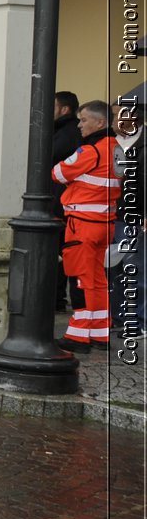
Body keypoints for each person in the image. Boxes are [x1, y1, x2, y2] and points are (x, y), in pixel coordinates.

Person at [53, 100, 117, 353]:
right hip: (105, 224)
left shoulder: (91, 151)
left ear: (100, 123)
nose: (79, 125)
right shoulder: (117, 149)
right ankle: (100, 334)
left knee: (80, 280)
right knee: (98, 280)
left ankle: (78, 337)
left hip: (83, 225)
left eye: (84, 120)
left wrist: (74, 176)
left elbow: (57, 173)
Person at [110, 86, 143, 343]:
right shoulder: (110, 144)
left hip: (135, 217)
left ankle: (137, 320)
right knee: (115, 269)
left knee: (135, 269)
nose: (114, 122)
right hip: (113, 216)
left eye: (118, 115)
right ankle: (119, 318)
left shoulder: (142, 145)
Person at [52, 91, 84, 312]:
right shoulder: (63, 130)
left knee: (63, 255)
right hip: (62, 202)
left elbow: (51, 155)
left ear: (64, 109)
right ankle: (57, 298)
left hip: (62, 203)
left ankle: (57, 299)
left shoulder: (68, 132)